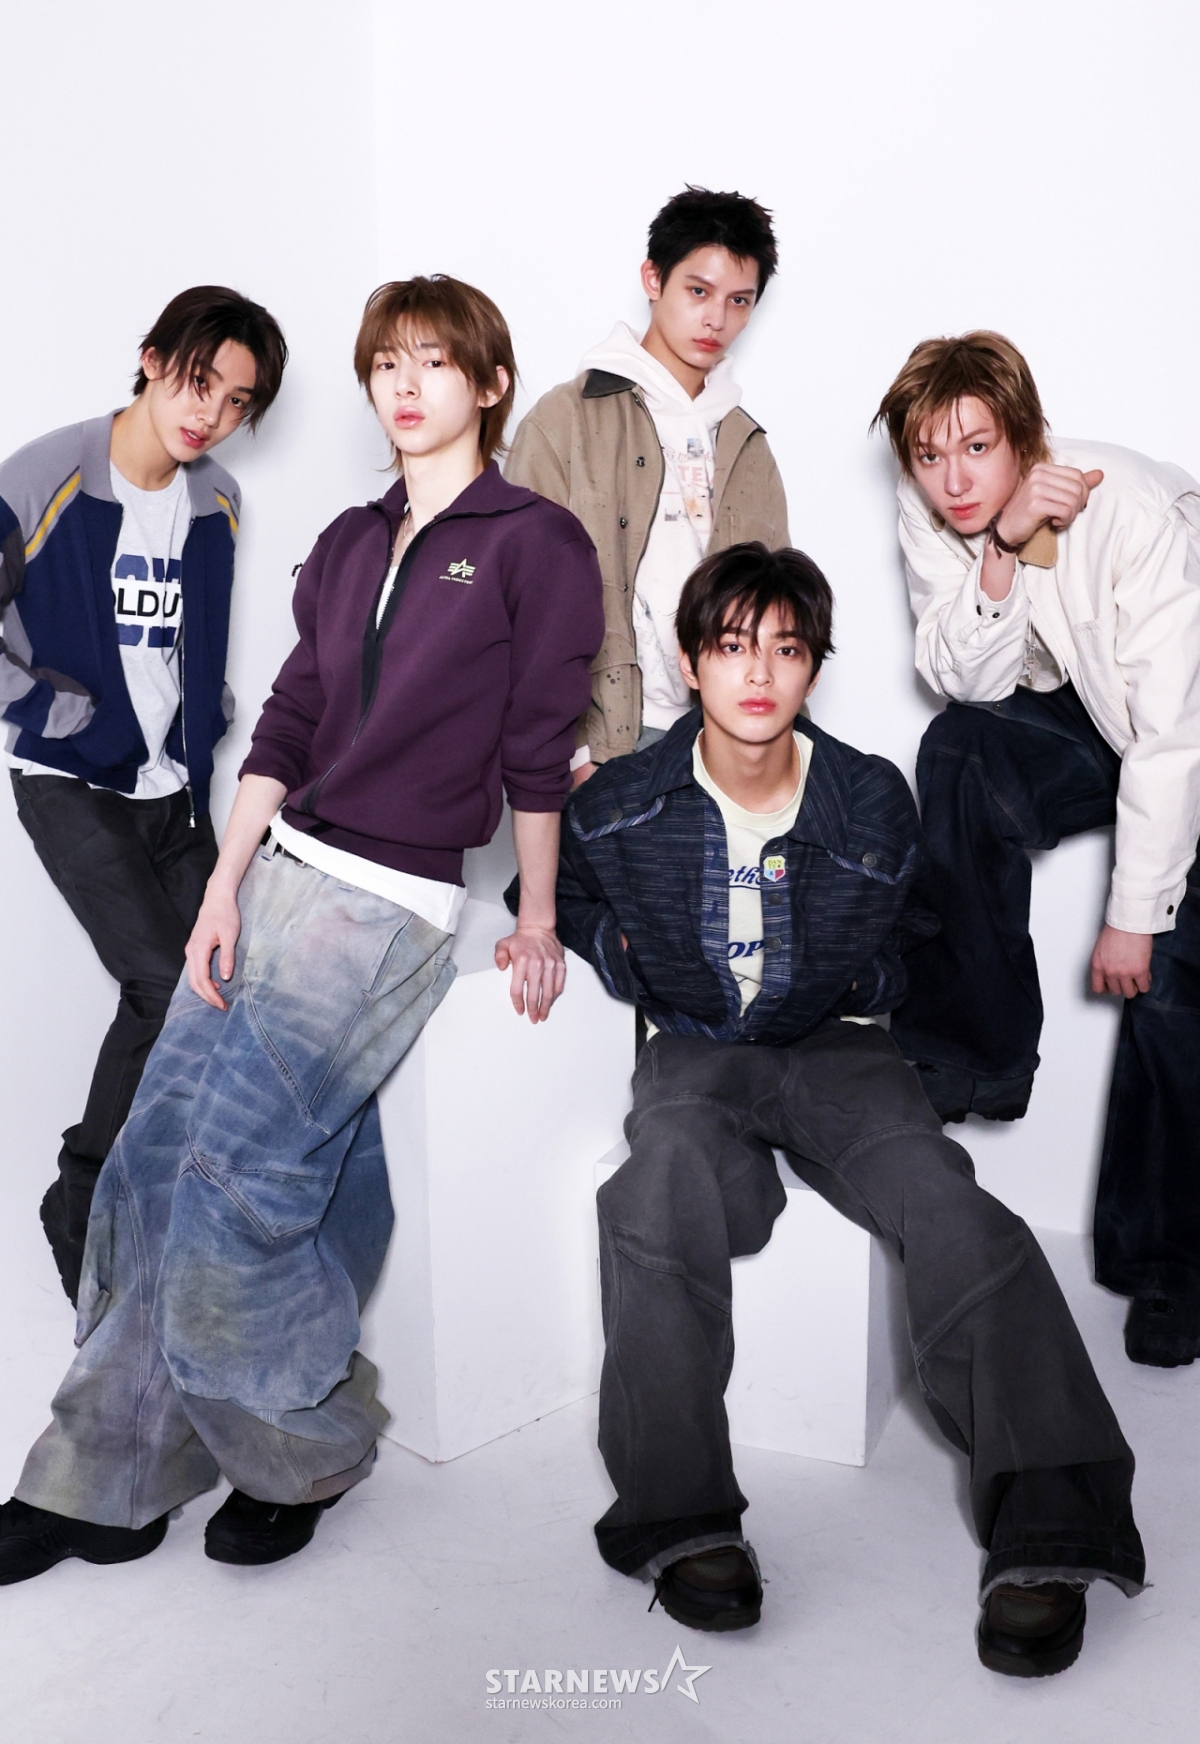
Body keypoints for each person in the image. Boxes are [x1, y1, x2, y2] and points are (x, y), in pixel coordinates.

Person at [0, 275, 603, 1584]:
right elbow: (286, 720)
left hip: (389, 902)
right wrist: (223, 884)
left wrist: (540, 914)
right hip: (275, 873)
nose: (406, 384)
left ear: (489, 384)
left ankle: (302, 1451)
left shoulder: (534, 542)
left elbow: (537, 748)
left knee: (236, 1189)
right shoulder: (348, 538)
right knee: (148, 1166)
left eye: (435, 361)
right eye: (388, 362)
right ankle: (107, 1477)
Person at [553, 542, 1144, 1676]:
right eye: (733, 646)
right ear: (691, 661)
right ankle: (682, 1514)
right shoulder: (623, 802)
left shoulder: (868, 794)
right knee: (657, 1182)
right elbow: (572, 894)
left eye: (786, 649)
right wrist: (618, 955)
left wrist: (866, 980)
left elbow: (915, 931)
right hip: (698, 1050)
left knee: (947, 1202)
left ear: (814, 666)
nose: (758, 673)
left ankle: (1053, 1520)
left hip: (838, 1049)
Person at [874, 331, 1200, 1368]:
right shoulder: (941, 509)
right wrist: (1003, 549)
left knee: (1176, 981)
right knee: (960, 750)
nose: (953, 480)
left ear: (1025, 433)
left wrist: (1133, 914)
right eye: (930, 455)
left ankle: (1169, 1264)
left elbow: (1174, 736)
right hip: (1099, 709)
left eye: (977, 448)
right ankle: (967, 1055)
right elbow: (962, 681)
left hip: (1182, 729)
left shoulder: (1132, 512)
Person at [1, 287, 288, 1303]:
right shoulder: (43, 476)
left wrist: (207, 715)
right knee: (164, 988)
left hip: (177, 786)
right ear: (153, 358)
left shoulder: (218, 500)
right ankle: (80, 1200)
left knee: (223, 989)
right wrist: (49, 709)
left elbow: (191, 636)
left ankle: (170, 1210)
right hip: (71, 781)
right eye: (200, 382)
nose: (212, 414)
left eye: (238, 401)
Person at [507, 185, 788, 776]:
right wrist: (572, 752)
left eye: (739, 301)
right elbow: (520, 601)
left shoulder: (747, 445)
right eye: (698, 291)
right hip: (606, 742)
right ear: (653, 279)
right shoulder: (565, 421)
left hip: (724, 743)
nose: (716, 319)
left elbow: (779, 614)